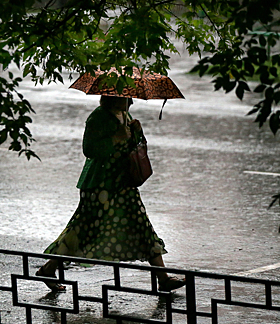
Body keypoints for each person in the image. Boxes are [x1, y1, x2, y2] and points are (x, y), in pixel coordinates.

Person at [37, 95, 186, 292]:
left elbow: (134, 146)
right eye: (126, 96)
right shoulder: (97, 117)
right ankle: (49, 268)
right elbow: (89, 149)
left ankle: (163, 278)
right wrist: (115, 138)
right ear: (113, 96)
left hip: (123, 183)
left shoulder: (125, 114)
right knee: (81, 229)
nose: (131, 101)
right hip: (100, 185)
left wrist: (137, 132)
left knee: (141, 225)